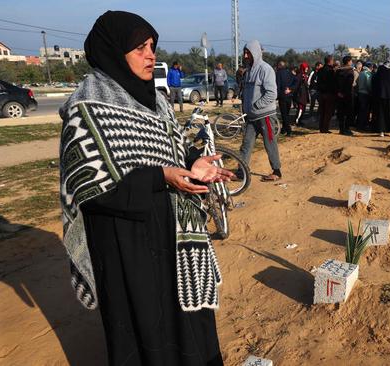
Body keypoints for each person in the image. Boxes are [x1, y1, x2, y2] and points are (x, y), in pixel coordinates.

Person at [59, 11, 234, 366]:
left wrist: (193, 163)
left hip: (173, 238)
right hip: (126, 244)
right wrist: (161, 177)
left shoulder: (158, 101)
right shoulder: (87, 107)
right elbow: (87, 186)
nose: (151, 55)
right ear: (113, 51)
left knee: (185, 323)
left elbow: (171, 149)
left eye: (152, 46)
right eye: (140, 47)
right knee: (146, 329)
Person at [239, 40, 283, 181]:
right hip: (251, 117)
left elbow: (272, 93)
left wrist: (256, 106)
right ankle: (241, 172)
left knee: (270, 143)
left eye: (248, 53)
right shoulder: (248, 71)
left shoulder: (266, 69)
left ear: (255, 53)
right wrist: (246, 109)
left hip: (265, 116)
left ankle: (276, 171)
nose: (246, 55)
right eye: (245, 52)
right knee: (246, 145)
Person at [372, 53, 390, 135]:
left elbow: (377, 79)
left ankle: (382, 130)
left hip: (382, 94)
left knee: (382, 112)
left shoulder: (381, 68)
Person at [275, 60, 297, 136]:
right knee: (286, 114)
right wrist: (290, 89)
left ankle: (288, 130)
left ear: (280, 66)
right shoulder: (289, 73)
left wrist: (276, 96)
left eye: (278, 65)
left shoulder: (278, 73)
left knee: (284, 115)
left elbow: (278, 85)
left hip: (282, 96)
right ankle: (284, 129)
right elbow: (296, 81)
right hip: (289, 96)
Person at [336, 55, 355, 135]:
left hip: (339, 94)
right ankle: (347, 129)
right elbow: (349, 83)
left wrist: (339, 92)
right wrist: (344, 93)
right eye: (351, 61)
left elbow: (336, 83)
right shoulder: (350, 71)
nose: (352, 62)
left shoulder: (338, 71)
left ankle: (341, 129)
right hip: (347, 94)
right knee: (348, 112)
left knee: (341, 112)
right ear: (348, 62)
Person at [318, 55, 337, 133]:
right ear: (330, 61)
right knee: (328, 112)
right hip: (329, 94)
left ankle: (321, 127)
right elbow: (333, 83)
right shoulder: (331, 71)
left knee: (322, 111)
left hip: (321, 93)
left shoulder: (320, 70)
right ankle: (325, 128)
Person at [356, 61, 373, 130]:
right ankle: (363, 125)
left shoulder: (361, 73)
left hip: (360, 93)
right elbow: (369, 85)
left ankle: (359, 124)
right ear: (370, 67)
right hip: (365, 94)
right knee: (365, 111)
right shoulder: (368, 74)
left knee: (361, 110)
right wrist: (371, 92)